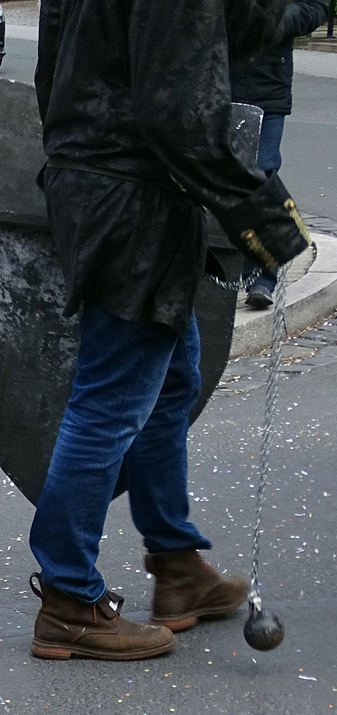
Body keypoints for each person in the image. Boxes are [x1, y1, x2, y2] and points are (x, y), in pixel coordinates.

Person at [27, 0, 310, 660]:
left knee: (171, 376)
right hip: (133, 197)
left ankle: (177, 565)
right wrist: (266, 222)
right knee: (109, 401)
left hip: (99, 180)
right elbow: (178, 112)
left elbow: (54, 70)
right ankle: (69, 600)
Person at [229, 0, 329, 310]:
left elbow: (316, 7)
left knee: (261, 174)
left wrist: (270, 19)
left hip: (266, 89)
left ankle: (262, 275)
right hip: (213, 82)